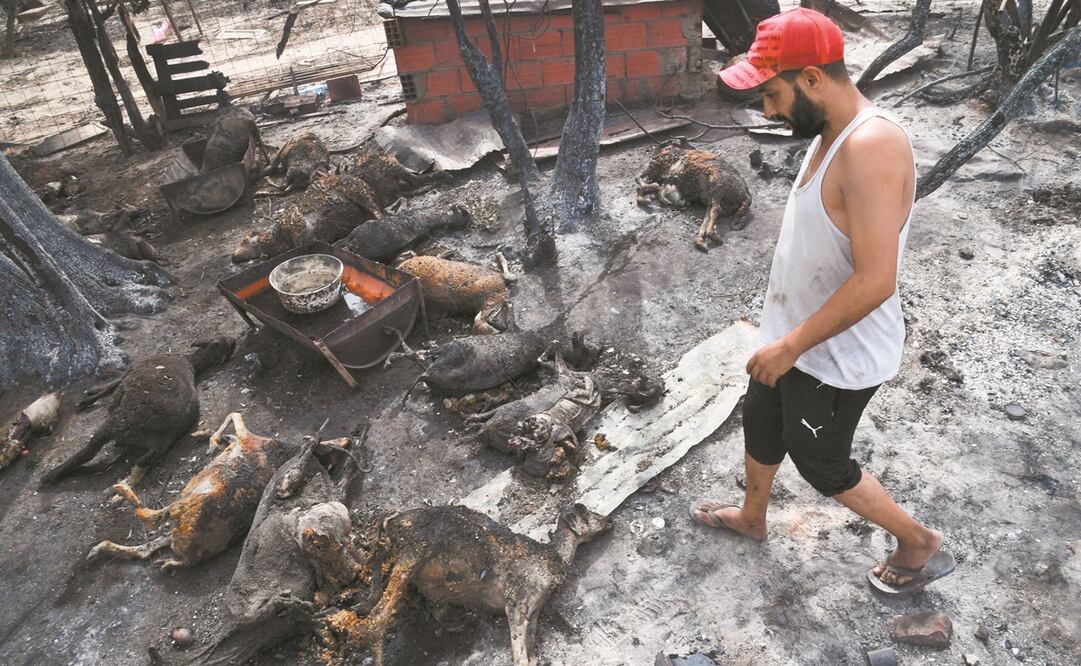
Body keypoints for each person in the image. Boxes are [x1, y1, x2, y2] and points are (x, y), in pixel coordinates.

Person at [691, 7, 955, 596]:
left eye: (773, 94)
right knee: (760, 423)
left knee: (821, 462)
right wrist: (781, 336)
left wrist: (790, 344)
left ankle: (918, 542)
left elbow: (876, 279)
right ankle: (753, 519)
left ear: (812, 77)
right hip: (795, 336)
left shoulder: (872, 144)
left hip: (838, 355)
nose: (767, 110)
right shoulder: (827, 133)